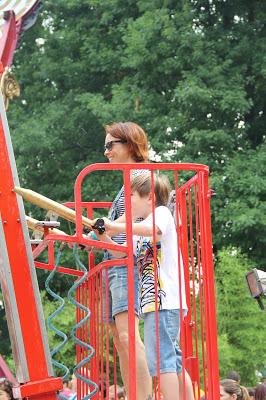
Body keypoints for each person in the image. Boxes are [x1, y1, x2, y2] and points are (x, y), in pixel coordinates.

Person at [93, 173, 194, 400]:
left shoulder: (161, 213)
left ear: (150, 197)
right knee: (171, 358)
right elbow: (122, 253)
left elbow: (153, 230)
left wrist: (114, 226)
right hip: (153, 303)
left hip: (165, 301)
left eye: (131, 196)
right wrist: (103, 236)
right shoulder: (141, 229)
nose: (127, 201)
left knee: (162, 359)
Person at [100, 122, 152, 400]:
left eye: (111, 145)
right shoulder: (127, 181)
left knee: (128, 337)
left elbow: (137, 219)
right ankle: (135, 395)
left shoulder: (142, 176)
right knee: (122, 341)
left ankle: (143, 397)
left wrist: (105, 227)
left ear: (130, 145)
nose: (106, 151)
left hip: (126, 262)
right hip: (116, 262)